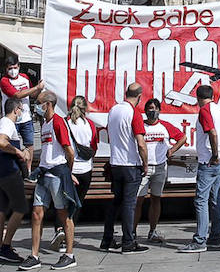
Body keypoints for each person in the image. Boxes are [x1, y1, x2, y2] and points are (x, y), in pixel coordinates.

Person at [21, 90, 80, 270]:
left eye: (39, 103)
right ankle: (34, 255)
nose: (36, 106)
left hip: (57, 173)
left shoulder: (58, 122)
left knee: (63, 214)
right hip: (45, 173)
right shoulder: (45, 123)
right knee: (36, 213)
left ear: (48, 104)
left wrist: (67, 173)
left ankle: (69, 254)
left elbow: (69, 151)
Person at [179, 85, 220, 252]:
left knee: (201, 200)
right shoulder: (219, 110)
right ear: (213, 95)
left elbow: (212, 132)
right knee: (215, 199)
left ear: (197, 98)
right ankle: (215, 237)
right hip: (219, 160)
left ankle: (199, 240)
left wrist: (214, 154)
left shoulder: (205, 110)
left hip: (209, 162)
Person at [103, 84, 151, 254]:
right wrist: (145, 164)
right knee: (129, 205)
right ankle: (128, 241)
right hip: (131, 164)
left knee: (116, 202)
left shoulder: (114, 110)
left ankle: (107, 239)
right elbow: (141, 143)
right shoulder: (134, 113)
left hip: (116, 163)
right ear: (139, 96)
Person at [136, 98, 186, 244]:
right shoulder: (140, 125)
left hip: (160, 167)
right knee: (137, 201)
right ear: (145, 111)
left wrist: (172, 150)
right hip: (143, 168)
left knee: (156, 198)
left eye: (155, 108)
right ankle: (132, 232)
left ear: (159, 110)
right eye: (150, 108)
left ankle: (152, 231)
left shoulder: (165, 126)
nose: (152, 111)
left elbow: (182, 137)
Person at [0, 98, 31, 264]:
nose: (21, 113)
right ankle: (6, 246)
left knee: (2, 209)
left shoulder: (1, 122)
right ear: (16, 110)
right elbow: (1, 142)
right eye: (20, 110)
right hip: (9, 172)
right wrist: (19, 152)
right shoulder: (7, 123)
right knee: (21, 207)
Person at [65, 96, 98, 222]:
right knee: (78, 202)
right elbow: (94, 147)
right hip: (86, 169)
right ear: (85, 108)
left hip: (70, 169)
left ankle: (61, 229)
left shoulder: (65, 122)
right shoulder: (89, 124)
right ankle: (70, 230)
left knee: (64, 204)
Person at [0, 60, 43, 151]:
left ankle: (28, 165)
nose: (13, 70)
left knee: (29, 145)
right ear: (6, 69)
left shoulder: (24, 77)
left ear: (19, 67)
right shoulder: (4, 81)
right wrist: (36, 87)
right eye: (10, 68)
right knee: (11, 144)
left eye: (15, 68)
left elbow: (32, 94)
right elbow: (17, 95)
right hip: (11, 119)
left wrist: (38, 89)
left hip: (26, 118)